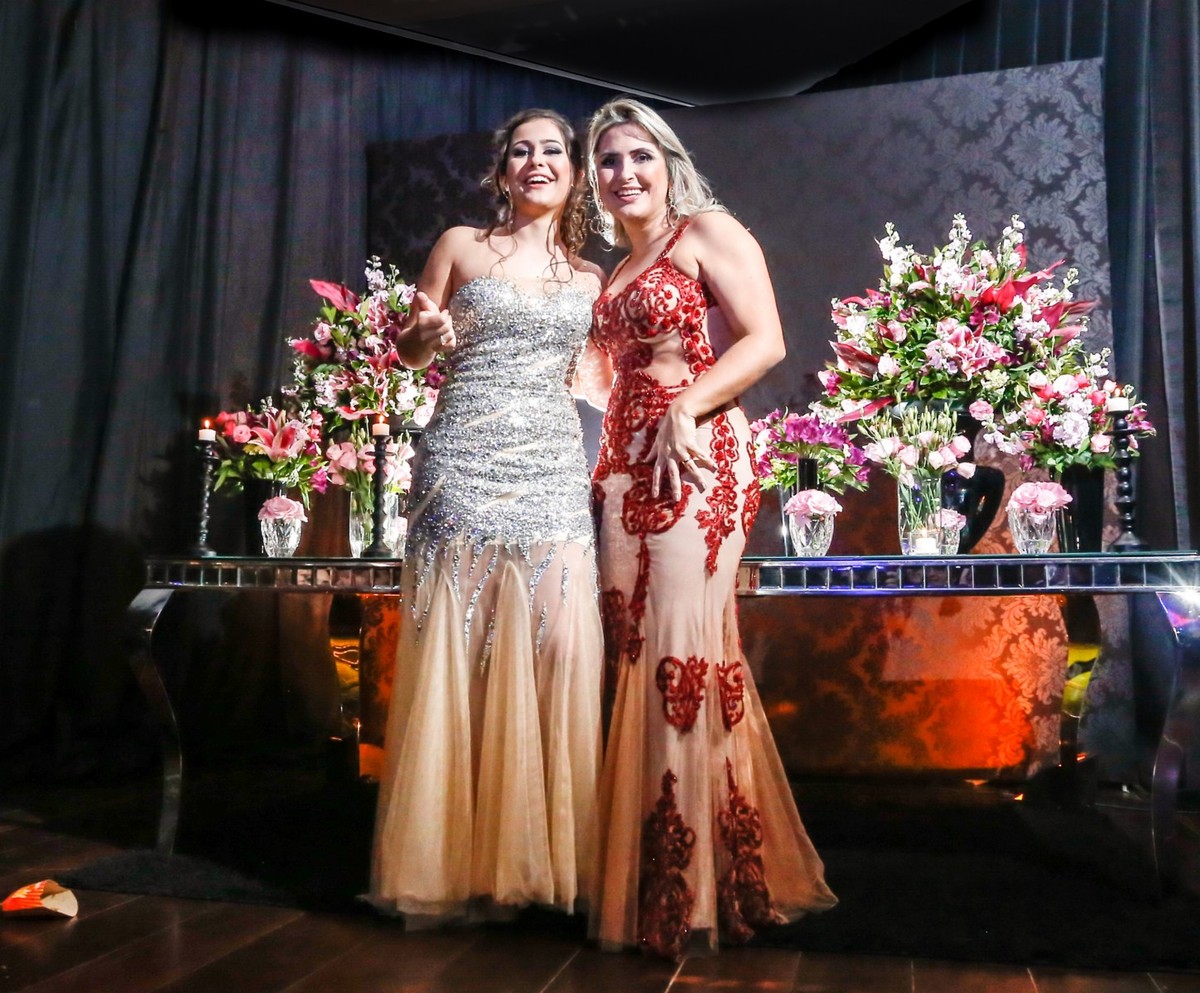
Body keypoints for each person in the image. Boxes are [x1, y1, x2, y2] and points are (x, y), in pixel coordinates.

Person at [584, 97, 838, 959]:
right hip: (623, 470)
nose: (625, 173)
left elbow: (765, 340)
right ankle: (664, 874)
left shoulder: (706, 231)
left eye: (639, 156)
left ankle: (684, 893)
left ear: (669, 163)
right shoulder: (619, 268)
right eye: (609, 161)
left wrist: (684, 406)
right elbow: (605, 377)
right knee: (633, 651)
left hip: (697, 461)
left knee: (679, 649)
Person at [368, 108, 606, 925]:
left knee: (560, 644)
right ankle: (452, 867)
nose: (537, 161)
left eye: (553, 150)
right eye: (521, 151)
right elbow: (410, 351)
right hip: (463, 462)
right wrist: (423, 334)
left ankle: (547, 864)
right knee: (461, 649)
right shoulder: (461, 245)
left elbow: (597, 379)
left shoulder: (591, 278)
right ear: (502, 170)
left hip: (551, 467)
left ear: (574, 171)